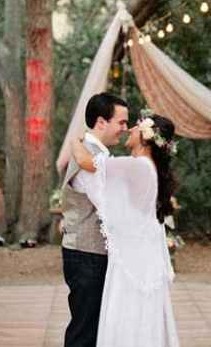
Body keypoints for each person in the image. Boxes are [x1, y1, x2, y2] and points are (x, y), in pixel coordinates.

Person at [71, 109, 180, 347]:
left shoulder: (138, 166)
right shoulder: (147, 168)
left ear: (145, 137)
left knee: (128, 313)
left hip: (133, 261)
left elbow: (84, 162)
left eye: (136, 126)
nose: (129, 128)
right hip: (142, 256)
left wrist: (75, 139)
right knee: (141, 315)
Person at [61, 92, 129, 347]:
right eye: (121, 122)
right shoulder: (88, 155)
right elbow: (108, 205)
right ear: (101, 122)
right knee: (85, 331)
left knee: (95, 327)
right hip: (86, 253)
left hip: (93, 253)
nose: (124, 129)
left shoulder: (93, 154)